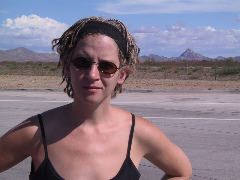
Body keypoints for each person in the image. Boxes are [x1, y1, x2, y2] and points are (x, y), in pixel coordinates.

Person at [0, 16, 192, 180]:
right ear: (67, 67)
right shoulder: (35, 133)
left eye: (106, 66)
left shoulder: (139, 133)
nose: (92, 74)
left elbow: (182, 172)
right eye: (82, 62)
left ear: (122, 75)